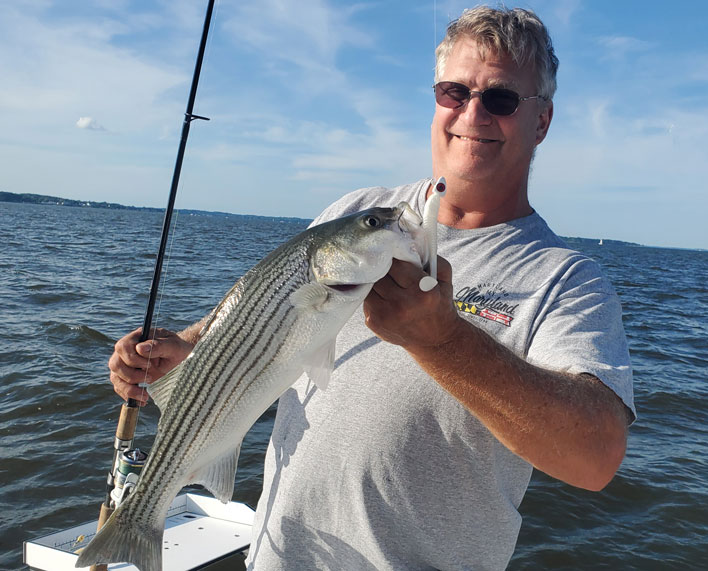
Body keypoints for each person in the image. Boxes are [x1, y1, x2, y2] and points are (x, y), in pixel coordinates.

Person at [109, 6, 635, 570]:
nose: (472, 113)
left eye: (501, 98)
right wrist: (188, 351)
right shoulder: (358, 211)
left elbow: (596, 456)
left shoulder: (563, 277)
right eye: (454, 92)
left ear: (542, 122)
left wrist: (445, 341)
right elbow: (270, 315)